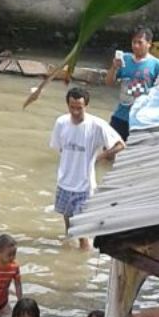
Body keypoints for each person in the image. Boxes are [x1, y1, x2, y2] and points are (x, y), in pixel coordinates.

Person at [49, 87, 125, 249]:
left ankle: (83, 258)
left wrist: (100, 156)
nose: (75, 111)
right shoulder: (61, 123)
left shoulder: (96, 125)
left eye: (79, 108)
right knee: (69, 227)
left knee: (82, 232)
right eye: (72, 107)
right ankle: (69, 254)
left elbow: (120, 145)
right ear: (67, 105)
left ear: (86, 106)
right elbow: (59, 148)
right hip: (64, 182)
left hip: (84, 186)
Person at [105, 26, 159, 142]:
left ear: (149, 44)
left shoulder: (157, 65)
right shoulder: (125, 59)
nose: (136, 46)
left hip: (142, 118)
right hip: (121, 115)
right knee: (110, 148)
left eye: (140, 42)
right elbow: (109, 83)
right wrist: (114, 68)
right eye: (134, 42)